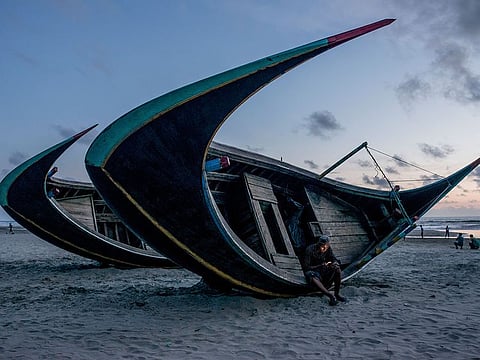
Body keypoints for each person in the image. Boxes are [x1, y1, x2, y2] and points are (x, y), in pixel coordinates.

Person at [304, 235, 346, 306]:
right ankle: (330, 295)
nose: (324, 248)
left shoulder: (328, 248)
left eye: (326, 246)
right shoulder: (310, 250)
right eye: (322, 246)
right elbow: (306, 267)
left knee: (337, 269)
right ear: (318, 244)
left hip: (324, 270)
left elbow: (333, 258)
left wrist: (335, 263)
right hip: (314, 271)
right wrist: (320, 265)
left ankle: (337, 294)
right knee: (310, 275)